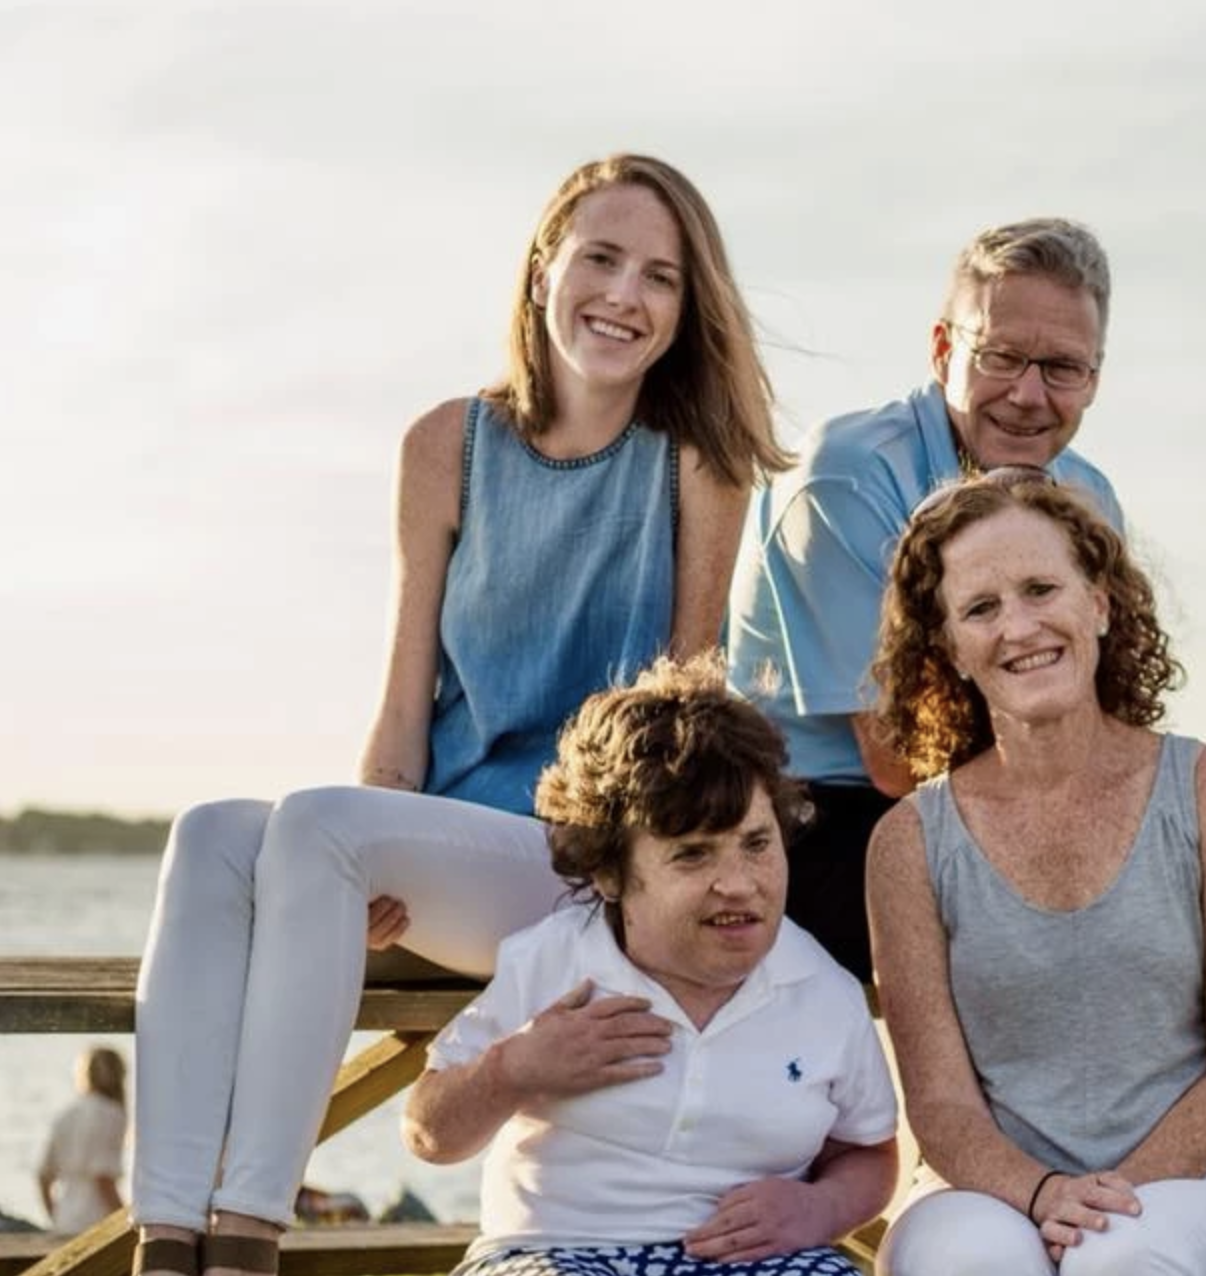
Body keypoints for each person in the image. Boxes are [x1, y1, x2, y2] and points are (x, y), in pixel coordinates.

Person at [131, 153, 791, 1276]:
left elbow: (688, 724)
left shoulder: (695, 465)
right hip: (438, 842)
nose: (623, 296)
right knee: (212, 833)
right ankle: (164, 1235)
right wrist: (343, 870)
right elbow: (401, 706)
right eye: (599, 258)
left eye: (660, 277)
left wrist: (341, 843)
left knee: (313, 827)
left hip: (586, 862)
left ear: (687, 312)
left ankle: (246, 1240)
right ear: (542, 268)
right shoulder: (446, 442)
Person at [865, 473, 1206, 1275]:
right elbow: (941, 1106)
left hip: (1197, 1187)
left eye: (1040, 589)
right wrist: (1040, 1196)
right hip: (986, 1192)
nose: (1019, 626)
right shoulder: (908, 843)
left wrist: (1106, 1201)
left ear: (1100, 603)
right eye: (981, 609)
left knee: (1118, 1261)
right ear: (950, 648)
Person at [404, 653, 898, 1276]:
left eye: (756, 844)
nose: (739, 885)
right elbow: (429, 1134)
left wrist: (820, 1209)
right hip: (557, 1253)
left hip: (759, 1263)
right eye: (693, 856)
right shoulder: (555, 958)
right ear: (611, 873)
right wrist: (515, 1069)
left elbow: (870, 1151)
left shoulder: (822, 988)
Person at [726, 218, 1125, 981]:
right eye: (1002, 357)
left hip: (1000, 786)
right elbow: (897, 758)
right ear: (944, 350)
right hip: (810, 818)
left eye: (1063, 368)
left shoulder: (1091, 497)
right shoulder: (844, 479)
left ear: (1095, 379)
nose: (1029, 395)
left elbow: (1107, 708)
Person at [38, 1046, 129, 1233]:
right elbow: (103, 1179)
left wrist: (56, 1217)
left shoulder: (66, 1115)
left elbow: (43, 1177)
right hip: (98, 1223)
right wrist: (126, 1224)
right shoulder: (112, 1114)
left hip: (65, 1220)